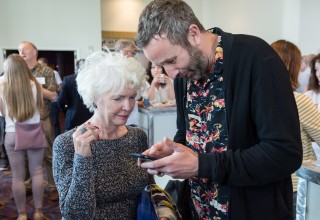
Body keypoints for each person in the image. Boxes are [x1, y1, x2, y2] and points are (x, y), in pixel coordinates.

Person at [135, 0, 302, 219]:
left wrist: (201, 165)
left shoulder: (256, 57)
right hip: (197, 210)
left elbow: (284, 154)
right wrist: (173, 153)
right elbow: (189, 136)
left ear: (193, 34)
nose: (171, 73)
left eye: (172, 60)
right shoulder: (183, 76)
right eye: (162, 65)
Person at [52, 52, 178, 219]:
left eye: (132, 97)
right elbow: (75, 214)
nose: (128, 106)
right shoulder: (66, 144)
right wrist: (82, 159)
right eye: (118, 98)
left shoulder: (137, 136)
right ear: (95, 98)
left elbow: (147, 191)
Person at [271, 39, 320, 218]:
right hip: (295, 185)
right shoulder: (299, 101)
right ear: (292, 66)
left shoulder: (256, 99)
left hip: (267, 185)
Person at [0, 54, 45, 220]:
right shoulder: (36, 85)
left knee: (18, 176)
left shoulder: (1, 85)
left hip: (12, 134)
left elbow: (3, 113)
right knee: (37, 173)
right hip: (34, 131)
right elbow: (40, 109)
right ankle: (39, 212)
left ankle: (22, 214)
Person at [18, 41, 58, 201]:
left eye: (24, 49)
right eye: (19, 49)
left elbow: (54, 96)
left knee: (49, 155)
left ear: (34, 52)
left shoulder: (46, 71)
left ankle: (53, 186)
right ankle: (27, 185)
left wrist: (34, 85)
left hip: (42, 119)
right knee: (25, 155)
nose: (21, 52)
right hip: (23, 119)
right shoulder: (18, 72)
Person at [57, 59, 93, 131]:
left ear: (76, 68)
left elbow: (61, 101)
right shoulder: (94, 80)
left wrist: (66, 111)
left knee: (69, 140)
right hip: (90, 117)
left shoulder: (68, 79)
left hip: (72, 117)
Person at [114, 39, 141, 127]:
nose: (134, 56)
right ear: (126, 52)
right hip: (125, 118)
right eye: (133, 53)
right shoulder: (126, 69)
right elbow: (139, 93)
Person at [38, 57, 63, 138]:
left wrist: (50, 91)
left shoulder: (54, 73)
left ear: (46, 64)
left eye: (40, 64)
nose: (39, 66)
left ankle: (57, 139)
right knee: (43, 122)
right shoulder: (36, 74)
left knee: (55, 121)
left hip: (53, 101)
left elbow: (60, 87)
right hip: (41, 103)